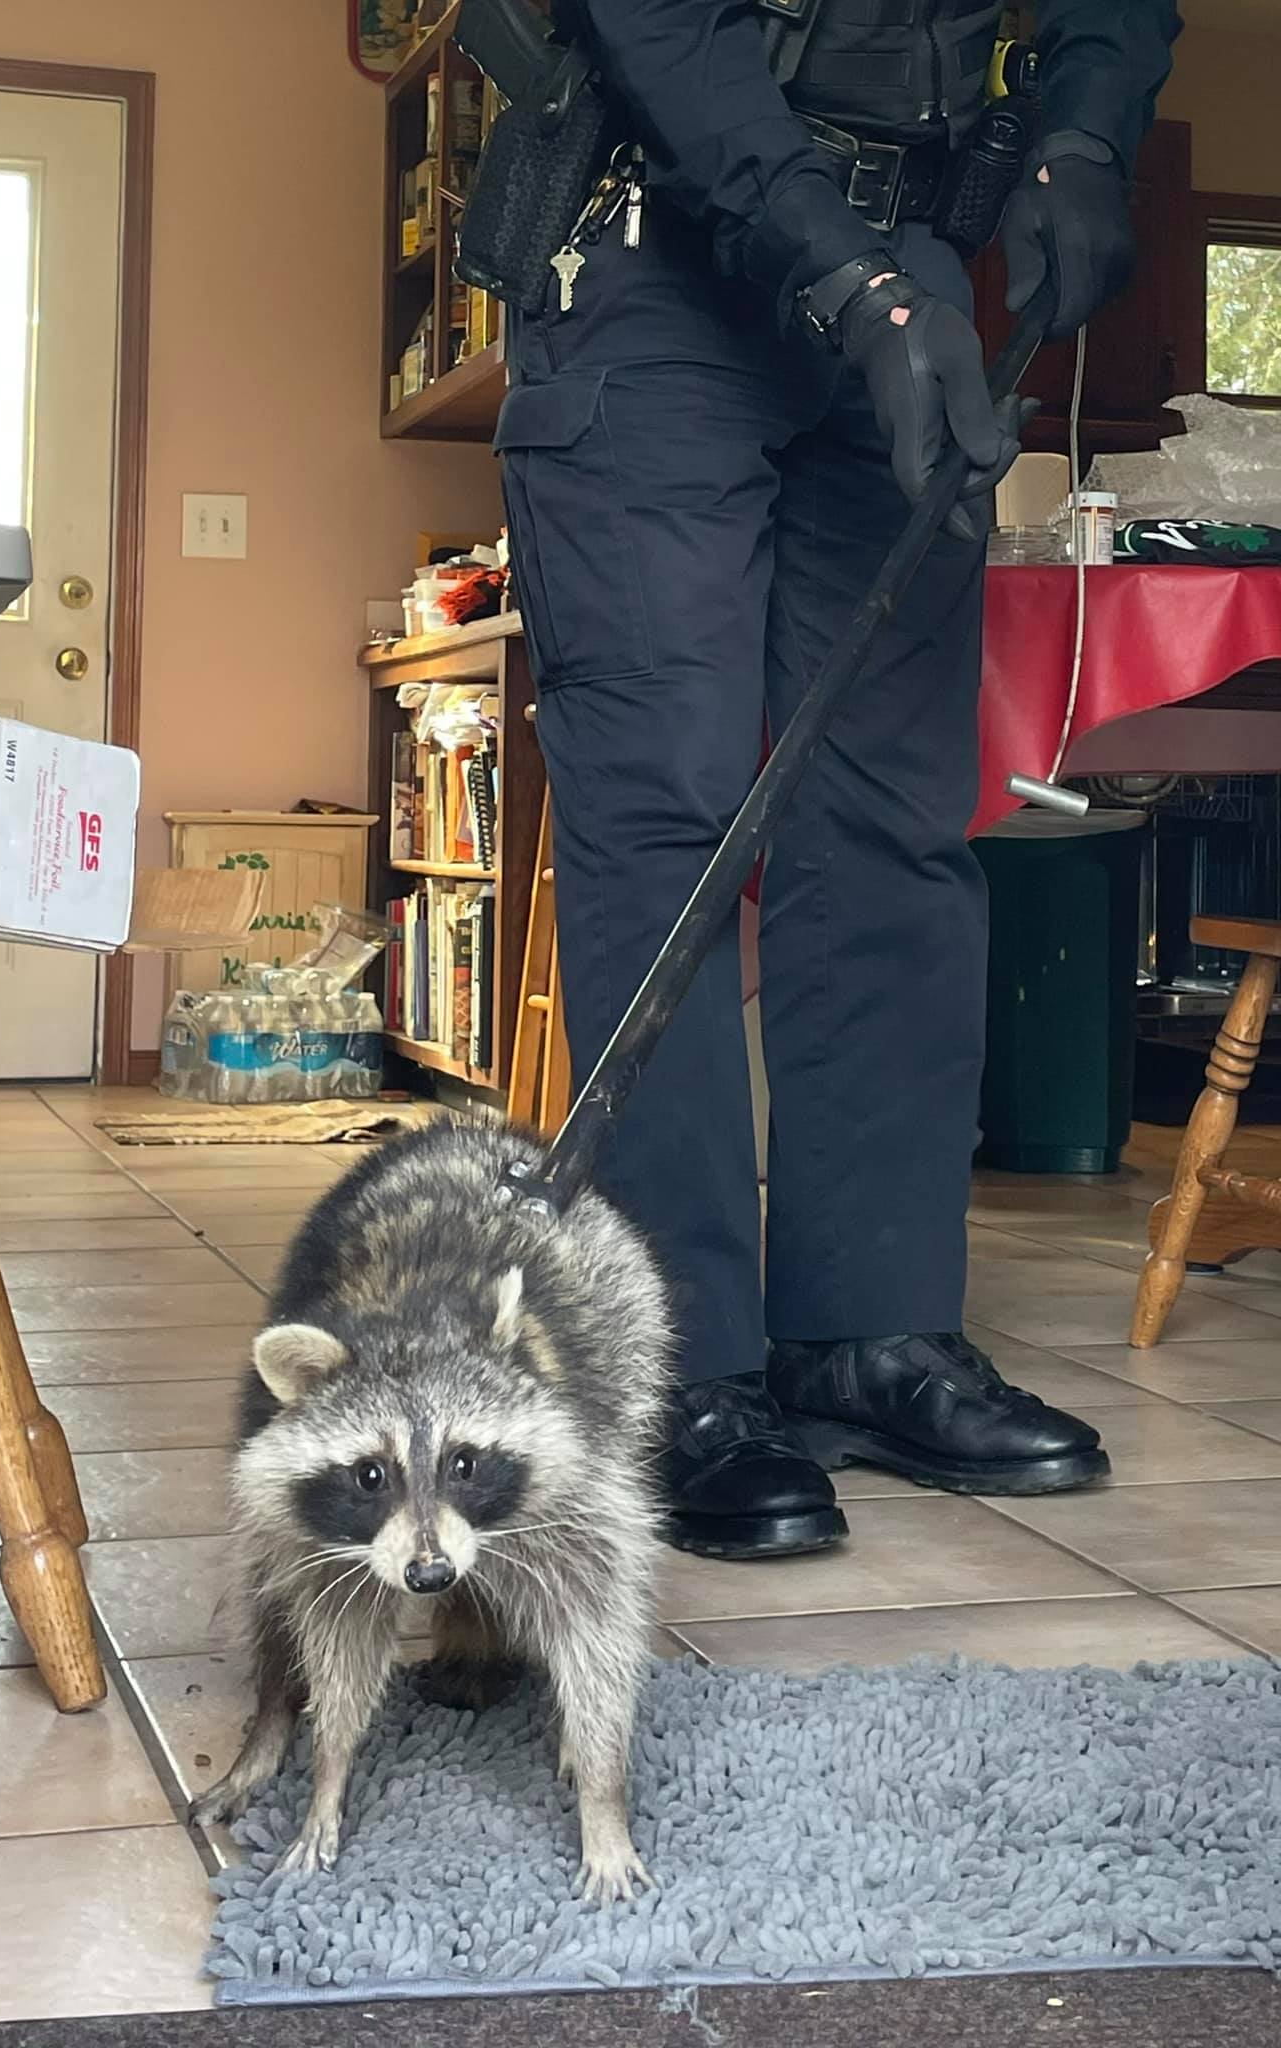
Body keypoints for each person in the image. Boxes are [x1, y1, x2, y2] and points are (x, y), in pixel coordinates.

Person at [494, 0, 1181, 1561]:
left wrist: (1086, 135)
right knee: (669, 820)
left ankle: (870, 1336)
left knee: (888, 821)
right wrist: (848, 276)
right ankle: (674, 1366)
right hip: (663, 257)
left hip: (905, 263)